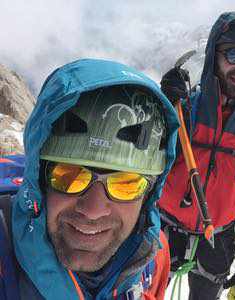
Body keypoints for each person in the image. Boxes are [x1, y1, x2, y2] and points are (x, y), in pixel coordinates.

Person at [0, 58, 180, 299]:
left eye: (126, 184)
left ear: (148, 195)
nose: (93, 210)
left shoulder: (152, 257)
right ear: (38, 180)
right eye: (69, 176)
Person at [159, 11, 235, 300]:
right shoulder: (183, 109)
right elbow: (144, 163)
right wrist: (160, 105)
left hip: (218, 238)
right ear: (215, 55)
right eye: (234, 54)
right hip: (163, 228)